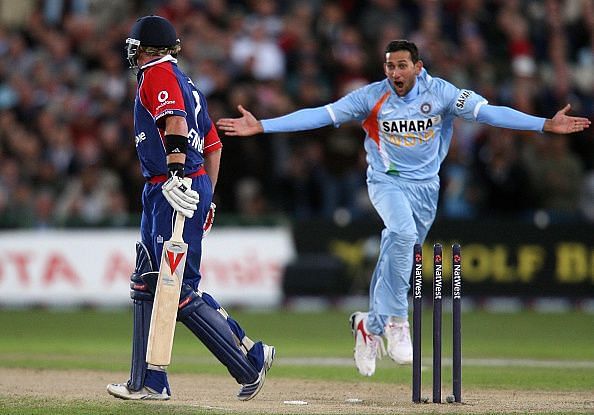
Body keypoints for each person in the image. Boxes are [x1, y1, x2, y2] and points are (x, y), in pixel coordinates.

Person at [216, 39, 591, 377]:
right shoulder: (371, 97)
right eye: (389, 66)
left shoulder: (443, 93)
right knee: (402, 235)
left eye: (401, 66)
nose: (395, 73)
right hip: (386, 181)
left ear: (418, 67)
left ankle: (369, 325)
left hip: (427, 188)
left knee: (398, 248)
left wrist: (544, 124)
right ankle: (397, 320)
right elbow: (320, 114)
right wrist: (262, 126)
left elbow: (490, 113)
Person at [107, 15, 274, 401]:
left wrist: (178, 176)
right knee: (148, 280)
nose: (133, 54)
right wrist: (207, 195)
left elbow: (176, 124)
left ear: (146, 50)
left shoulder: (157, 74)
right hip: (178, 186)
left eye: (136, 48)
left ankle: (246, 364)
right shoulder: (187, 82)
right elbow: (213, 146)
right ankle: (150, 380)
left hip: (170, 185)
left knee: (174, 286)